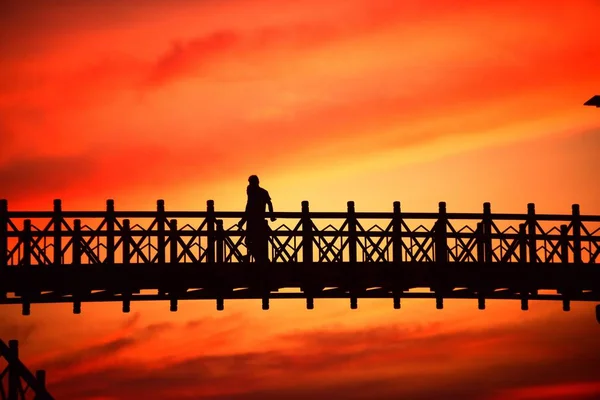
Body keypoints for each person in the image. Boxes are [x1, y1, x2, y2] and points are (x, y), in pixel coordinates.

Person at [238, 175, 276, 263]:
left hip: (253, 221)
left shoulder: (252, 191)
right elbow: (269, 203)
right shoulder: (263, 192)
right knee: (257, 241)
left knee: (250, 241)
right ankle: (259, 259)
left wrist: (243, 221)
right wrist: (271, 216)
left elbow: (249, 207)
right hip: (259, 221)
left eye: (250, 183)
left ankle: (258, 259)